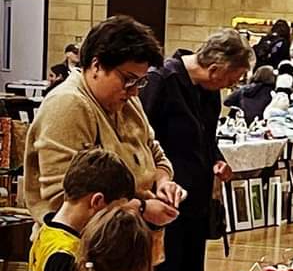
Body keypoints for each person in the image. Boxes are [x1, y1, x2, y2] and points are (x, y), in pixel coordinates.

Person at [23, 15, 183, 229]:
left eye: (140, 81)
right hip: (77, 249)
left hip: (123, 244)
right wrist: (141, 208)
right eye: (128, 79)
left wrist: (163, 182)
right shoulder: (68, 104)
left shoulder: (128, 100)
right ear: (96, 65)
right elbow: (64, 199)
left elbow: (154, 153)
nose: (134, 90)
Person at [140, 29, 252, 271]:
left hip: (196, 206)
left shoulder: (209, 91)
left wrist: (217, 159)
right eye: (234, 78)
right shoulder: (161, 82)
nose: (234, 85)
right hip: (163, 205)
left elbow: (205, 138)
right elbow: (142, 141)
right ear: (215, 68)